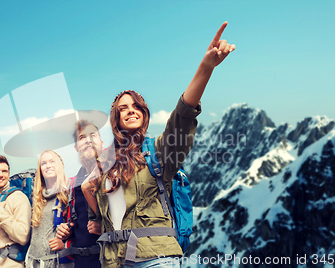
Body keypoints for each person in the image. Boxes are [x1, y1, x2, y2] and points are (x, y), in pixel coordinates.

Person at [81, 22, 236, 268]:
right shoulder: (107, 163)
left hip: (156, 259)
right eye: (123, 108)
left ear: (144, 113)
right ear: (116, 119)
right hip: (114, 261)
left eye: (135, 106)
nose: (130, 111)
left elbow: (182, 118)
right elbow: (92, 196)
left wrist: (206, 68)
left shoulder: (159, 151)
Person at [56, 120, 107, 268]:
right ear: (76, 147)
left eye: (92, 135)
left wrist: (104, 227)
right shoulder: (73, 185)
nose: (88, 140)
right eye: (82, 137)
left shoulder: (113, 174)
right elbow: (77, 223)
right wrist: (66, 232)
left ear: (102, 143)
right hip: (80, 262)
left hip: (110, 259)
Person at [25, 150, 74, 268]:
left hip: (57, 263)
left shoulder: (69, 194)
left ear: (60, 165)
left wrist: (66, 244)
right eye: (43, 163)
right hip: (34, 262)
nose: (48, 166)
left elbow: (81, 230)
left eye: (52, 161)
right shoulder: (37, 197)